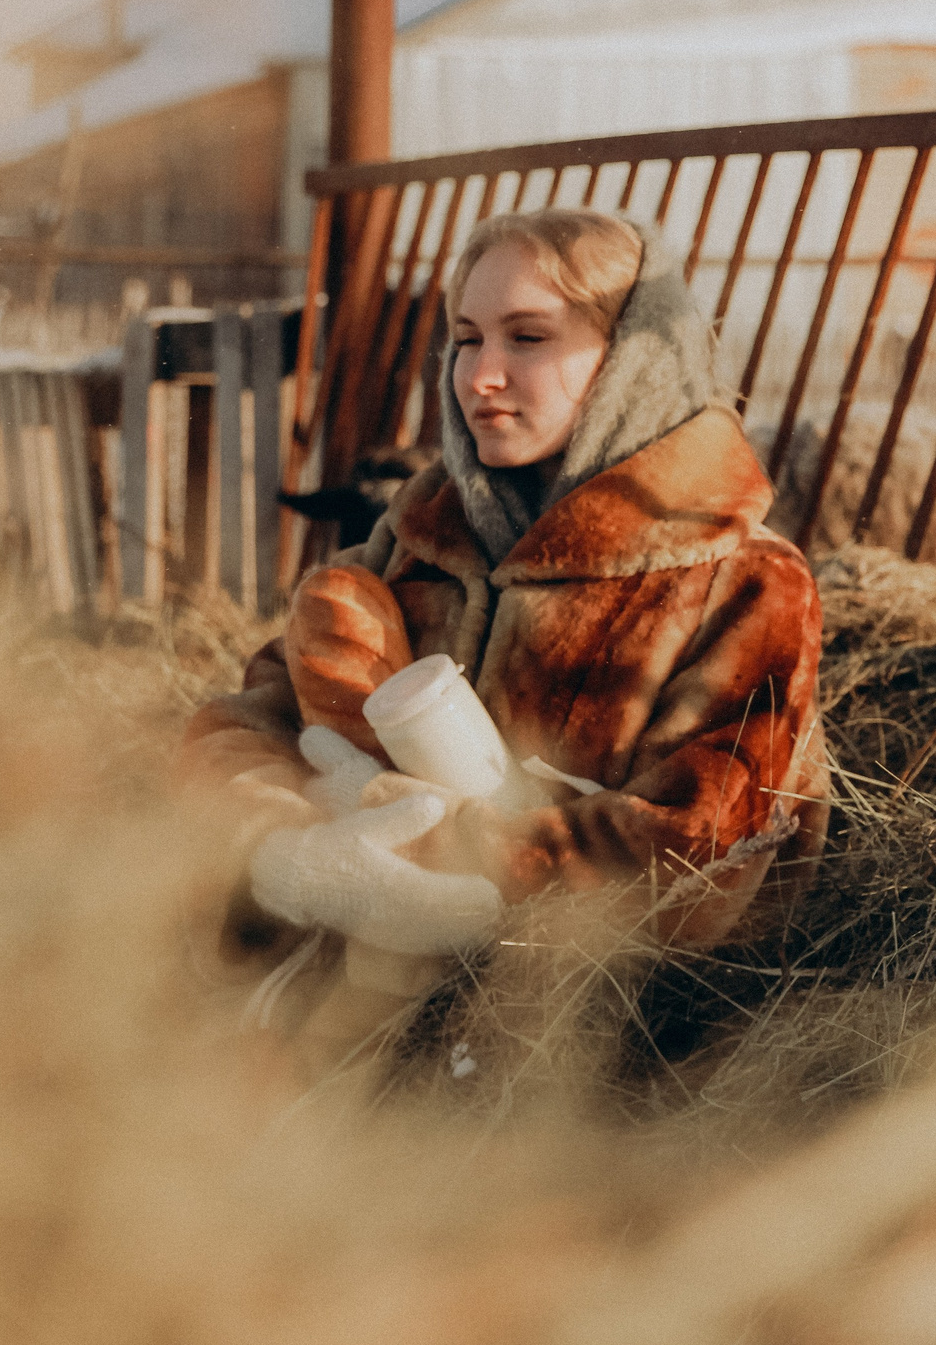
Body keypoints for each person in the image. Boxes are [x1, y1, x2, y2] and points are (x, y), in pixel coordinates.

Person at [182, 208, 827, 1046]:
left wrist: (439, 858)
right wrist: (292, 852)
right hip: (348, 1020)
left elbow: (695, 856)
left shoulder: (739, 579)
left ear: (630, 361)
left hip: (591, 1059)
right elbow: (242, 719)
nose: (480, 375)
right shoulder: (418, 537)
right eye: (466, 337)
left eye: (528, 338)